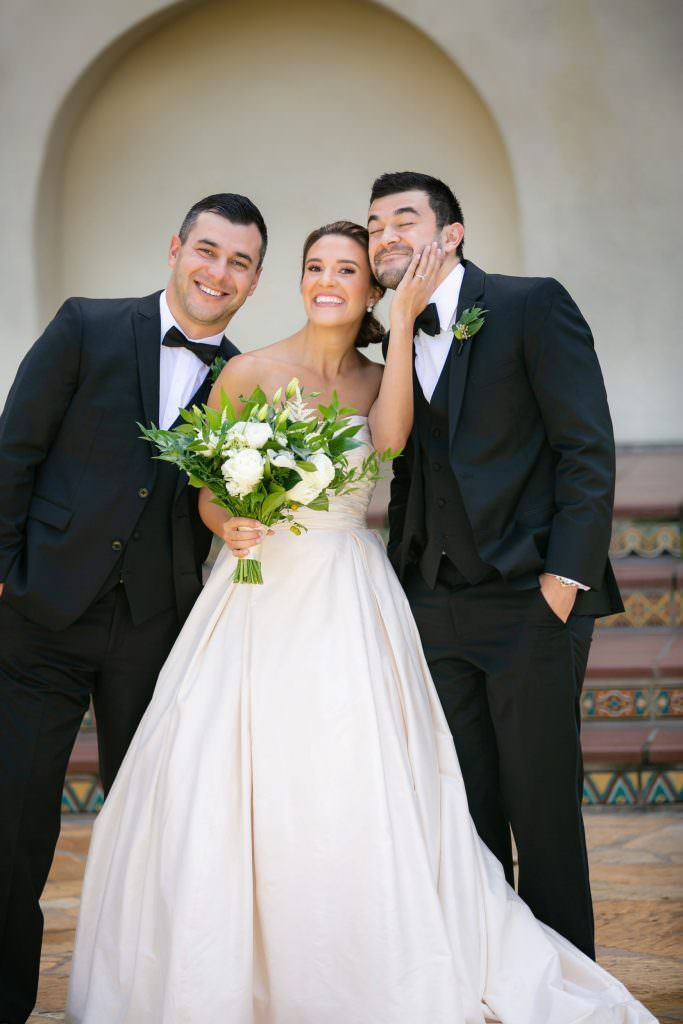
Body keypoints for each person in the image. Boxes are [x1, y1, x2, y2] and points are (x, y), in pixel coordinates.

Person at [66, 221, 653, 1023]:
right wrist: (225, 519)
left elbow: (390, 442)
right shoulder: (246, 370)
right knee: (244, 768)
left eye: (346, 268)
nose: (326, 280)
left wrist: (405, 320)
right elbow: (203, 490)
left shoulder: (383, 378)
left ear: (370, 288)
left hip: (348, 586)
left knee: (352, 770)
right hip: (255, 593)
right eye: (314, 267)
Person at [0, 192, 267, 1024]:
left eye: (240, 263)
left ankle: (132, 999)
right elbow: (17, 446)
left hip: (157, 631)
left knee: (151, 826)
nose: (218, 273)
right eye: (209, 251)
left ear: (253, 282)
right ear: (176, 248)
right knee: (13, 820)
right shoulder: (86, 325)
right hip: (41, 612)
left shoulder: (249, 381)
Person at [367, 170, 624, 961]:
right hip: (433, 603)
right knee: (466, 812)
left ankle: (567, 989)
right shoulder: (390, 334)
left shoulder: (528, 304)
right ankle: (493, 979)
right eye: (373, 226)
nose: (384, 237)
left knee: (540, 811)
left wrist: (561, 581)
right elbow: (406, 460)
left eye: (403, 219)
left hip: (528, 598)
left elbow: (584, 448)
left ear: (452, 233)